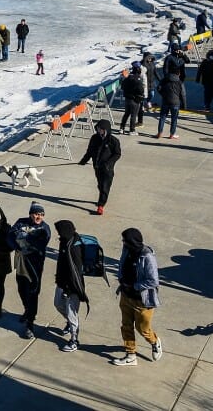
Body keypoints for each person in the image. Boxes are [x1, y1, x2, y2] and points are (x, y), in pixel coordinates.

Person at [112, 228, 163, 366]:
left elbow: (153, 280)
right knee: (126, 326)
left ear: (132, 241)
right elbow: (122, 265)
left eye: (125, 240)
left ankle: (154, 341)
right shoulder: (127, 250)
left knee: (143, 329)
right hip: (125, 295)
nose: (123, 242)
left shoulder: (147, 256)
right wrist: (122, 281)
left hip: (142, 301)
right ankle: (130, 355)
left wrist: (134, 286)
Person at [7, 202, 52, 339]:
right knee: (21, 288)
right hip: (21, 263)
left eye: (41, 214)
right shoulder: (21, 222)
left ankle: (30, 324)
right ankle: (27, 310)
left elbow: (40, 243)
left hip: (35, 266)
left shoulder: (45, 228)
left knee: (33, 292)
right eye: (36, 213)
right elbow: (9, 236)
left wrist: (23, 237)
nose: (39, 216)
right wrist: (18, 246)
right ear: (30, 214)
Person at [53, 220, 88, 352]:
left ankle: (74, 340)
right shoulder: (65, 241)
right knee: (57, 304)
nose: (57, 233)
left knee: (72, 313)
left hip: (72, 287)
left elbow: (76, 271)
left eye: (59, 230)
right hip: (61, 282)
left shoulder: (74, 247)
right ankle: (69, 323)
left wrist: (70, 289)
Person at [78, 119, 121, 215]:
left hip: (107, 169)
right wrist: (83, 161)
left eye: (101, 129)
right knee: (100, 185)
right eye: (97, 129)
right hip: (97, 167)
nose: (99, 131)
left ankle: (101, 205)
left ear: (106, 129)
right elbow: (89, 151)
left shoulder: (113, 141)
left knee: (105, 186)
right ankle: (103, 195)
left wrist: (109, 163)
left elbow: (117, 154)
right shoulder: (94, 138)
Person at [155, 72, 186, 139]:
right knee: (174, 119)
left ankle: (159, 133)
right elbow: (183, 94)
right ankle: (172, 134)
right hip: (175, 103)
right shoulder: (180, 82)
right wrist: (184, 105)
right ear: (179, 74)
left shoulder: (164, 80)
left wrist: (163, 95)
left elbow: (158, 88)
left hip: (165, 101)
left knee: (162, 117)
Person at [119, 63, 144, 135]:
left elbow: (122, 86)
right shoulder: (137, 78)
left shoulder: (128, 77)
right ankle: (132, 130)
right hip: (134, 99)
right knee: (133, 115)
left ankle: (121, 128)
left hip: (127, 99)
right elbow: (141, 89)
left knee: (126, 114)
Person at [195, 49, 213, 113]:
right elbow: (199, 70)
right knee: (207, 94)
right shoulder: (205, 62)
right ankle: (207, 105)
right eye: (211, 55)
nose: (212, 57)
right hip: (207, 82)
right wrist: (198, 78)